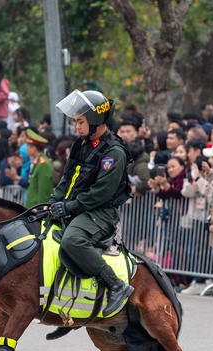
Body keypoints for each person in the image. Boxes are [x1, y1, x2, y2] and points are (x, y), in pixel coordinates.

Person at [49, 89, 134, 316]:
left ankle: (116, 285)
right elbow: (66, 179)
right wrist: (53, 203)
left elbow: (100, 194)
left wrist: (67, 207)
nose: (76, 127)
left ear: (96, 121)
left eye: (80, 121)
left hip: (100, 213)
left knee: (74, 240)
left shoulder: (113, 152)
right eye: (75, 121)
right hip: (78, 208)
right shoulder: (80, 144)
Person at [22, 129, 53, 207]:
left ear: (34, 148)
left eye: (28, 146)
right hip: (32, 207)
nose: (26, 149)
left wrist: (40, 212)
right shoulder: (38, 162)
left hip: (36, 210)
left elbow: (43, 192)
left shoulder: (43, 164)